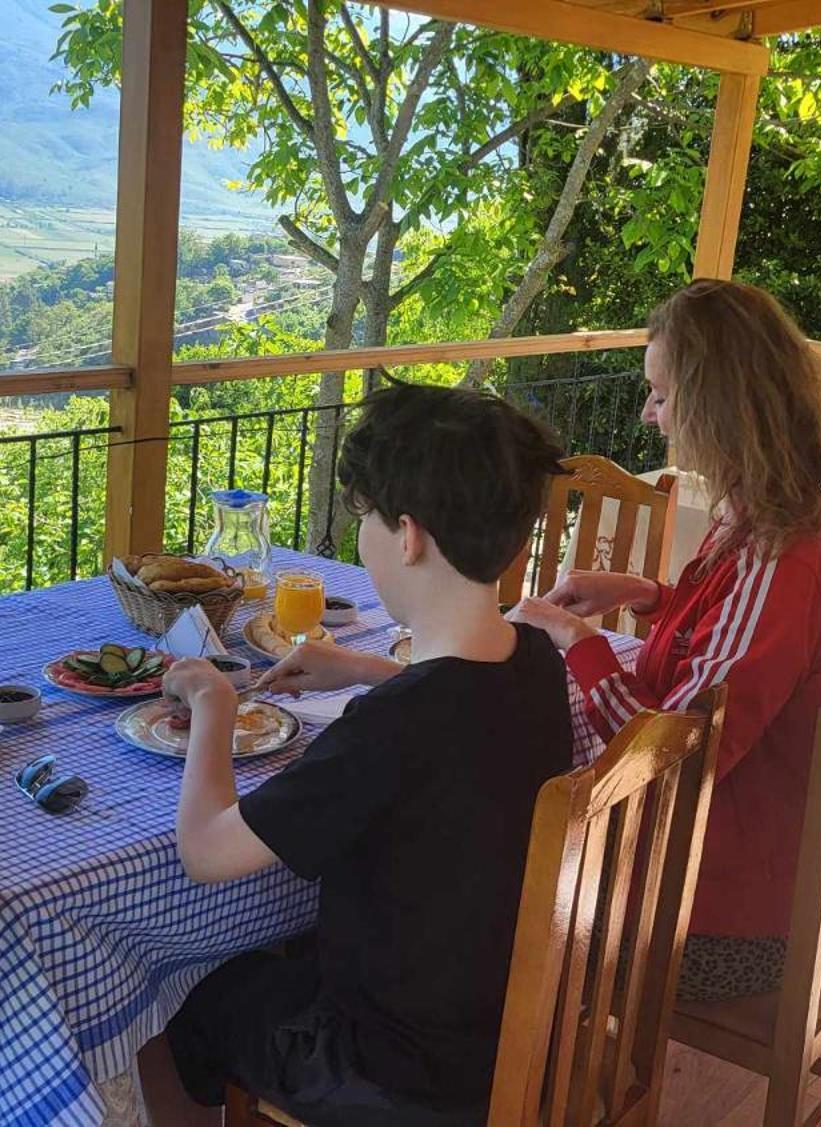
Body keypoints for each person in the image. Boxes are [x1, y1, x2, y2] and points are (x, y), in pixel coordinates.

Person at [138, 382, 571, 1126]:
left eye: (364, 515)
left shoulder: (390, 730)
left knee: (168, 1000)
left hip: (395, 1075)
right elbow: (457, 708)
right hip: (504, 1037)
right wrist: (370, 668)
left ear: (408, 536)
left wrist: (213, 703)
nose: (361, 534)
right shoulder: (534, 661)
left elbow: (206, 851)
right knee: (274, 960)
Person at [510, 278, 821, 1004]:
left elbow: (663, 756)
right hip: (753, 878)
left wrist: (574, 635)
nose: (649, 414)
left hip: (719, 927)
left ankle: (526, 1086)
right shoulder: (785, 515)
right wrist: (646, 595)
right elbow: (746, 647)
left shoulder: (781, 554)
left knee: (486, 878)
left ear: (722, 406)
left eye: (663, 395)